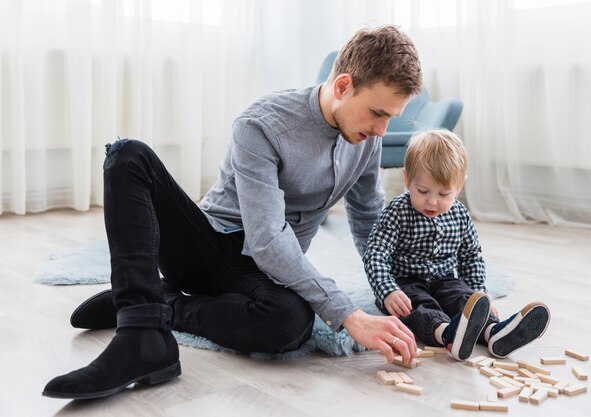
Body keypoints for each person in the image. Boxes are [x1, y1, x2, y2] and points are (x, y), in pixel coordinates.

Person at [42, 25, 423, 400]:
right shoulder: (261, 124)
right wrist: (349, 315)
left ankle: (165, 303)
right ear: (343, 86)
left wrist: (393, 288)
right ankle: (141, 333)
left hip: (264, 270)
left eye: (392, 117)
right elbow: (267, 238)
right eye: (377, 113)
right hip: (210, 247)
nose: (382, 130)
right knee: (128, 155)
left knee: (290, 323)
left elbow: (368, 216)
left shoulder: (367, 139)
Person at [362, 129, 551, 361]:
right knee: (417, 308)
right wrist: (388, 290)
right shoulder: (397, 211)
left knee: (463, 297)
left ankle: (494, 332)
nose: (432, 201)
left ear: (459, 186)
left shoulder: (460, 214)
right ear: (407, 180)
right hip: (406, 282)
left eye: (443, 194)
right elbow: (376, 253)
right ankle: (447, 334)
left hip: (444, 279)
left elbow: (471, 256)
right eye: (422, 191)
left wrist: (479, 291)